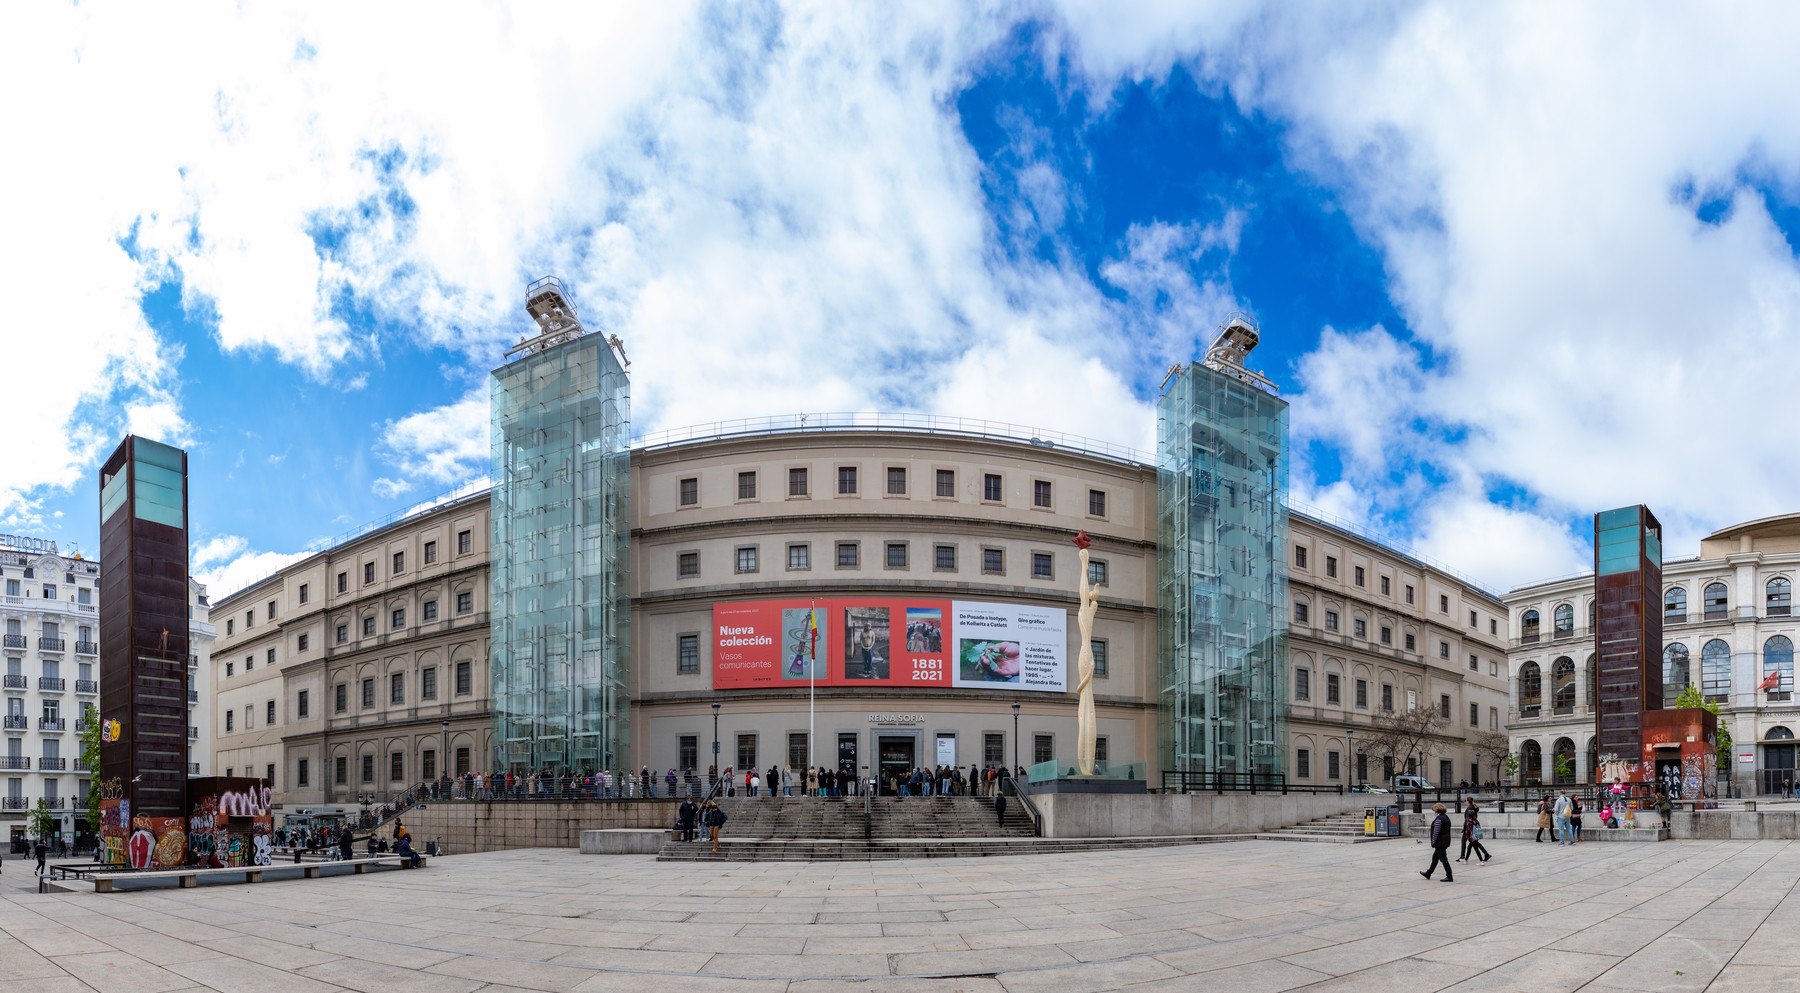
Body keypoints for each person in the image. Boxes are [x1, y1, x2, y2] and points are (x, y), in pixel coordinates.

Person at [1420, 803, 1454, 882]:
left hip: (1440, 842)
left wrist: (1433, 842)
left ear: (1437, 810)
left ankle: (1449, 876)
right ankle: (1428, 873)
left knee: (1443, 859)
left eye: (1434, 810)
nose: (1434, 812)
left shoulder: (1439, 819)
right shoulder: (1446, 817)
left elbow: (1436, 832)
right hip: (1445, 841)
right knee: (1435, 858)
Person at [1458, 798, 1491, 864]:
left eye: (1466, 801)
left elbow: (1468, 820)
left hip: (1469, 830)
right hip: (1472, 830)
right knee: (1473, 845)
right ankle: (1485, 854)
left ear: (1468, 801)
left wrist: (1465, 828)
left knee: (1470, 844)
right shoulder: (1472, 808)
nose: (1465, 802)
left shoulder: (1470, 808)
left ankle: (1463, 857)